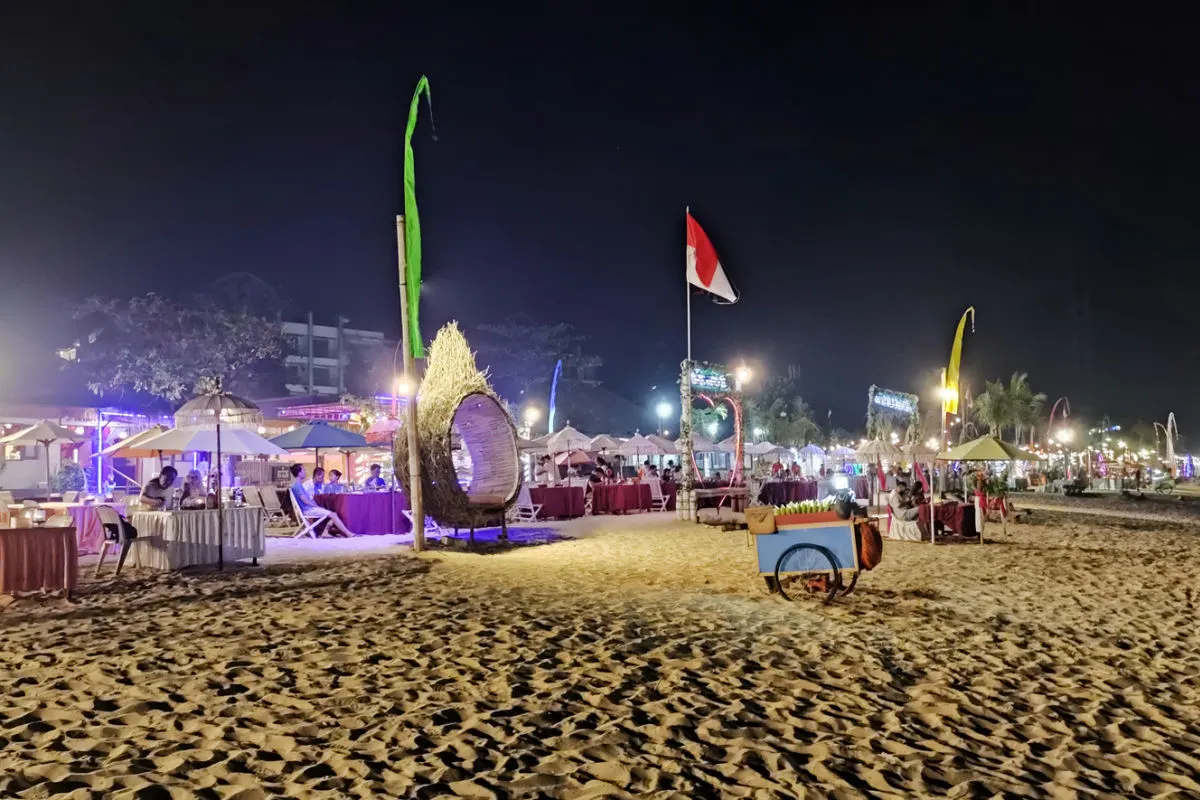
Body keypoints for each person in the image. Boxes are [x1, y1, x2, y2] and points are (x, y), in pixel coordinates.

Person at [289, 464, 355, 537]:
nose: (305, 471)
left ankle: (326, 532)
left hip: (310, 508)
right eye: (303, 470)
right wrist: (316, 506)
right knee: (333, 514)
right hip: (308, 509)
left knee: (333, 513)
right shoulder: (297, 485)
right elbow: (305, 501)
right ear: (299, 473)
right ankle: (349, 534)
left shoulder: (298, 484)